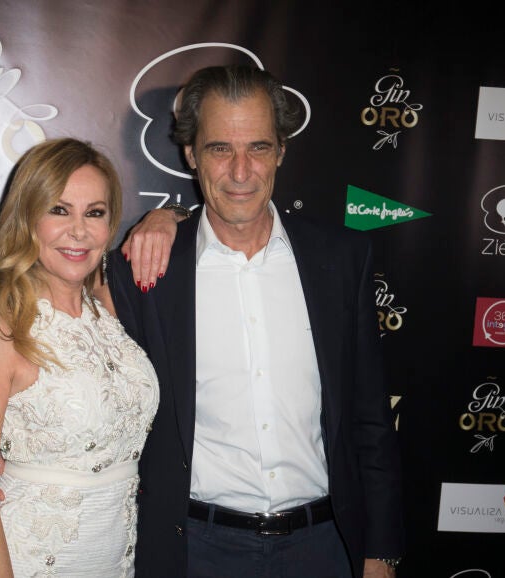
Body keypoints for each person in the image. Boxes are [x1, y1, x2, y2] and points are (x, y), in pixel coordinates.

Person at [108, 65, 405, 577]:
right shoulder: (147, 270)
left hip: (326, 548)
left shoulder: (340, 258)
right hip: (197, 551)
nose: (241, 171)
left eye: (259, 148)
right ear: (191, 154)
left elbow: (370, 418)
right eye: (220, 148)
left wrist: (379, 550)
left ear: (281, 151)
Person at [0, 138, 160, 577]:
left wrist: (169, 214)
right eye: (59, 210)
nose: (78, 231)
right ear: (27, 219)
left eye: (94, 213)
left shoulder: (109, 309)